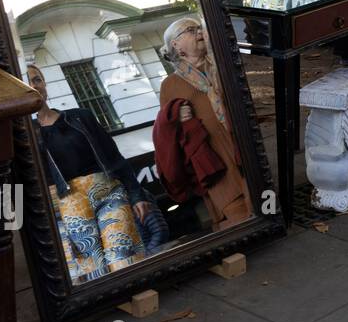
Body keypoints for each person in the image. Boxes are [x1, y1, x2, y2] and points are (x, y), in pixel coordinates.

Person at [27, 64, 165, 282]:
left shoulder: (81, 117)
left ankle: (137, 293)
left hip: (108, 191)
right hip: (69, 204)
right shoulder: (26, 138)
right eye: (26, 82)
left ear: (44, 83)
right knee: (92, 268)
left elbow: (114, 157)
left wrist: (136, 194)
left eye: (36, 79)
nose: (33, 86)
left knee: (124, 254)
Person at [154, 18, 252, 230]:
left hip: (244, 145)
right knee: (238, 216)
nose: (198, 31)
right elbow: (167, 135)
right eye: (190, 30)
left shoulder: (223, 63)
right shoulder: (170, 85)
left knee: (265, 200)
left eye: (199, 28)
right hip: (217, 160)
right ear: (176, 46)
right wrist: (174, 117)